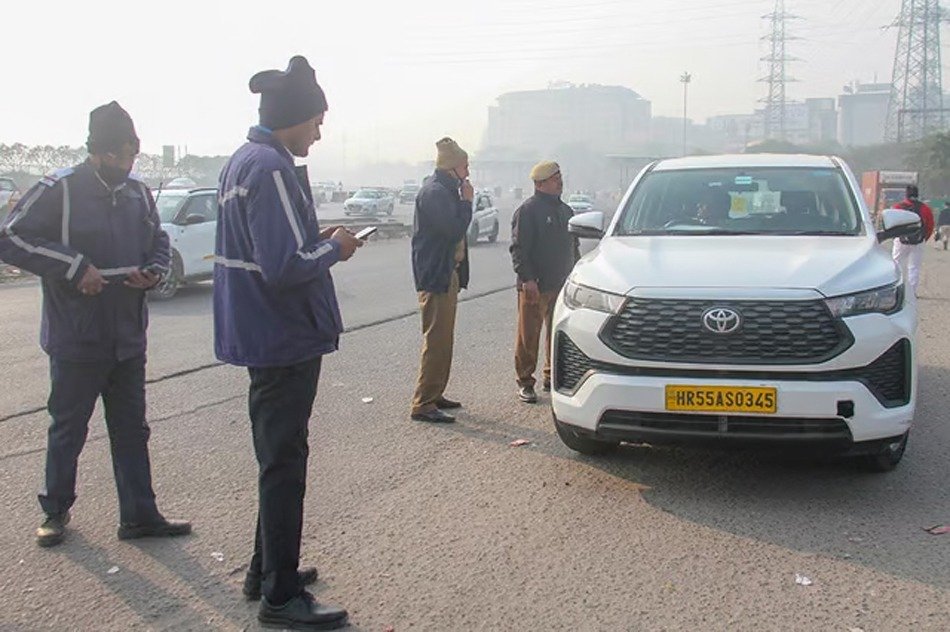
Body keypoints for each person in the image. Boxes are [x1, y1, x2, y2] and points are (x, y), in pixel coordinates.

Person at [0, 102, 191, 547]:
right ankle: (55, 512)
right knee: (68, 428)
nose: (126, 165)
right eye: (118, 156)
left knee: (132, 429)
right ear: (97, 152)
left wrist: (154, 271)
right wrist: (74, 266)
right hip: (76, 336)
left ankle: (140, 516)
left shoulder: (138, 193)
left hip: (127, 334)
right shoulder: (59, 189)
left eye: (131, 156)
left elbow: (157, 240)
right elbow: (11, 237)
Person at [213, 56, 360, 630]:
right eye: (317, 122)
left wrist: (315, 241)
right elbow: (282, 266)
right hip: (282, 337)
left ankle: (266, 569)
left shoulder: (243, 161)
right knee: (284, 464)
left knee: (277, 457)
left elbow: (272, 249)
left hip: (263, 334)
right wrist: (336, 248)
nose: (319, 133)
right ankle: (280, 596)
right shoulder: (271, 167)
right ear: (293, 117)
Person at [409, 137, 473, 423]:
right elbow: (453, 229)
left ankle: (435, 393)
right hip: (436, 275)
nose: (468, 172)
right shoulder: (435, 193)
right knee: (436, 340)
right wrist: (468, 203)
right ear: (452, 168)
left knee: (444, 339)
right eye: (464, 166)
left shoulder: (447, 191)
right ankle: (423, 402)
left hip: (448, 273)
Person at [510, 161, 579, 404]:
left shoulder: (566, 211)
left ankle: (552, 377)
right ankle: (526, 382)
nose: (559, 181)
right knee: (528, 336)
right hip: (535, 285)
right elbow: (519, 249)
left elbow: (574, 247)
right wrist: (527, 279)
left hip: (561, 284)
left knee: (557, 334)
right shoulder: (528, 211)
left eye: (560, 176)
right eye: (554, 178)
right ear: (540, 184)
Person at [891, 184, 934, 296]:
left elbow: (892, 225)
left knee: (896, 264)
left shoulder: (898, 207)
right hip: (918, 241)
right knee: (914, 267)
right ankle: (912, 292)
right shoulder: (925, 209)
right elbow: (930, 226)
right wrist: (924, 238)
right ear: (917, 194)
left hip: (901, 241)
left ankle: (896, 290)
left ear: (906, 194)